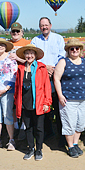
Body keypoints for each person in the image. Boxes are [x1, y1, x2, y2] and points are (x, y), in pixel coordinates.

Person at [54, 38, 85, 158]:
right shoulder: (63, 62)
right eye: (72, 48)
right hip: (69, 98)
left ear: (80, 50)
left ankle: (75, 143)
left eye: (77, 48)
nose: (75, 50)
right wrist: (60, 95)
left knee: (80, 123)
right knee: (69, 123)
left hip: (83, 97)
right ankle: (70, 146)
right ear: (68, 50)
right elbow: (56, 79)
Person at [31, 17, 66, 145]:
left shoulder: (58, 38)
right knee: (43, 105)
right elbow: (32, 56)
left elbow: (62, 55)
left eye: (46, 25)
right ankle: (48, 131)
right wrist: (45, 67)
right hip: (41, 75)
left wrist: (54, 69)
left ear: (50, 25)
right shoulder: (35, 40)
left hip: (56, 75)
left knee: (58, 105)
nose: (44, 27)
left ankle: (62, 135)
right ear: (39, 27)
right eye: (42, 25)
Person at [14, 44, 52, 161]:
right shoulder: (20, 68)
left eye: (31, 53)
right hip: (25, 102)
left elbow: (47, 86)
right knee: (28, 127)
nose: (29, 55)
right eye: (27, 53)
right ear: (24, 55)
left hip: (39, 102)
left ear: (35, 55)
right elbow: (17, 87)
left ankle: (39, 149)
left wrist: (47, 102)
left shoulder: (41, 67)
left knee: (39, 127)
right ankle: (30, 148)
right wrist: (17, 102)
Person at [8, 22, 31, 137]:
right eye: (13, 32)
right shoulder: (7, 44)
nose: (15, 33)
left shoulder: (28, 43)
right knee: (12, 101)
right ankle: (15, 124)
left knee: (23, 100)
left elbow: (31, 61)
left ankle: (24, 124)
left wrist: (17, 58)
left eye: (18, 31)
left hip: (23, 75)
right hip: (10, 78)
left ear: (22, 32)